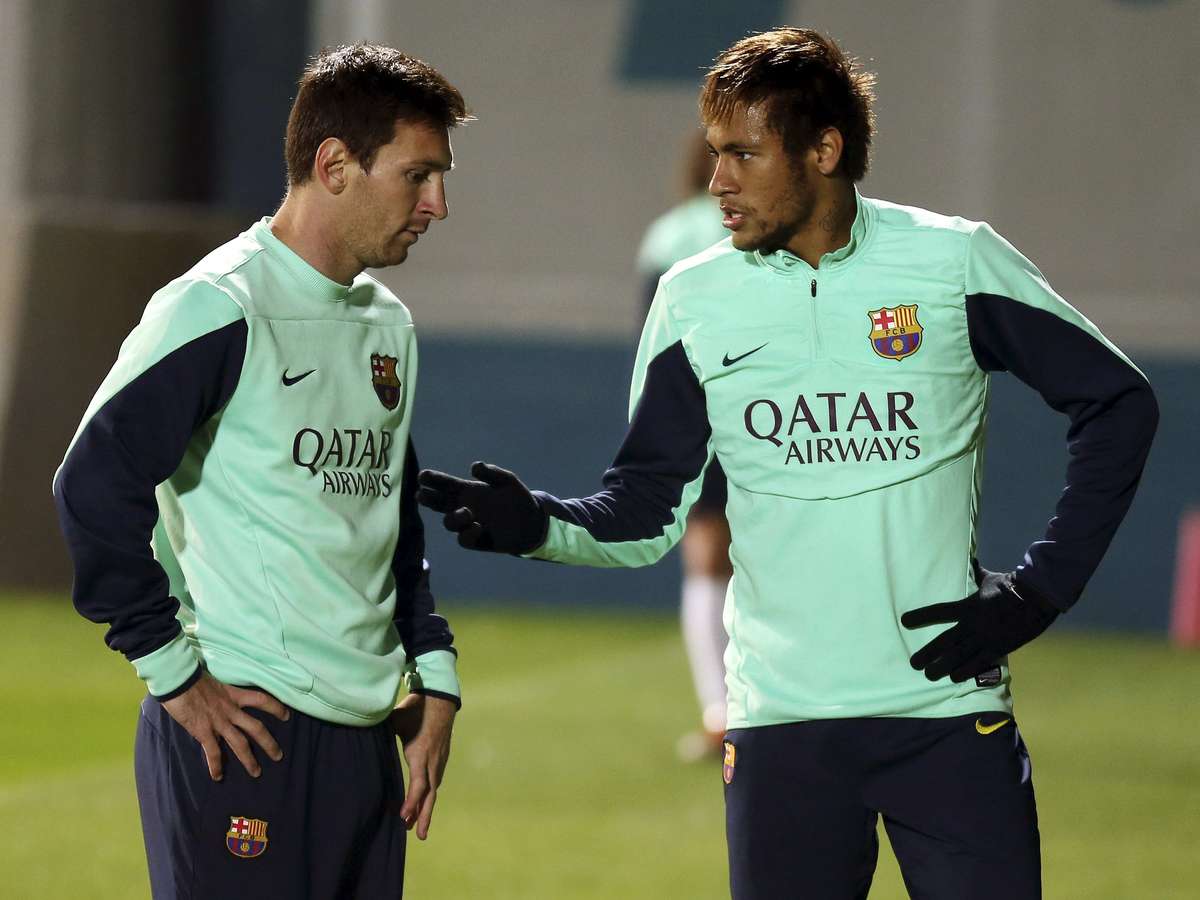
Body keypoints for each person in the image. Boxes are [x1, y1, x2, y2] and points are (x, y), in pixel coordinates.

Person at [416, 27, 1159, 900]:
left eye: (743, 154)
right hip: (781, 728)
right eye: (716, 153)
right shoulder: (692, 299)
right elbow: (647, 509)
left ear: (824, 150)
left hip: (947, 714)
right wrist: (540, 524)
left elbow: (1119, 403)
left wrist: (1041, 590)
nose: (717, 181)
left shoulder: (953, 262)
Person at [53, 44, 467, 898]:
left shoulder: (387, 324)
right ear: (334, 165)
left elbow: (388, 518)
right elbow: (92, 486)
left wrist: (434, 672)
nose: (437, 204)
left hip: (366, 742)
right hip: (245, 735)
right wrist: (171, 670)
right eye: (417, 175)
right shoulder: (218, 307)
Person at [636, 131, 731, 760]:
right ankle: (763, 711)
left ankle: (720, 714)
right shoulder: (764, 230)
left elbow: (655, 346)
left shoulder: (667, 237)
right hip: (770, 411)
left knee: (704, 561)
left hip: (694, 415)